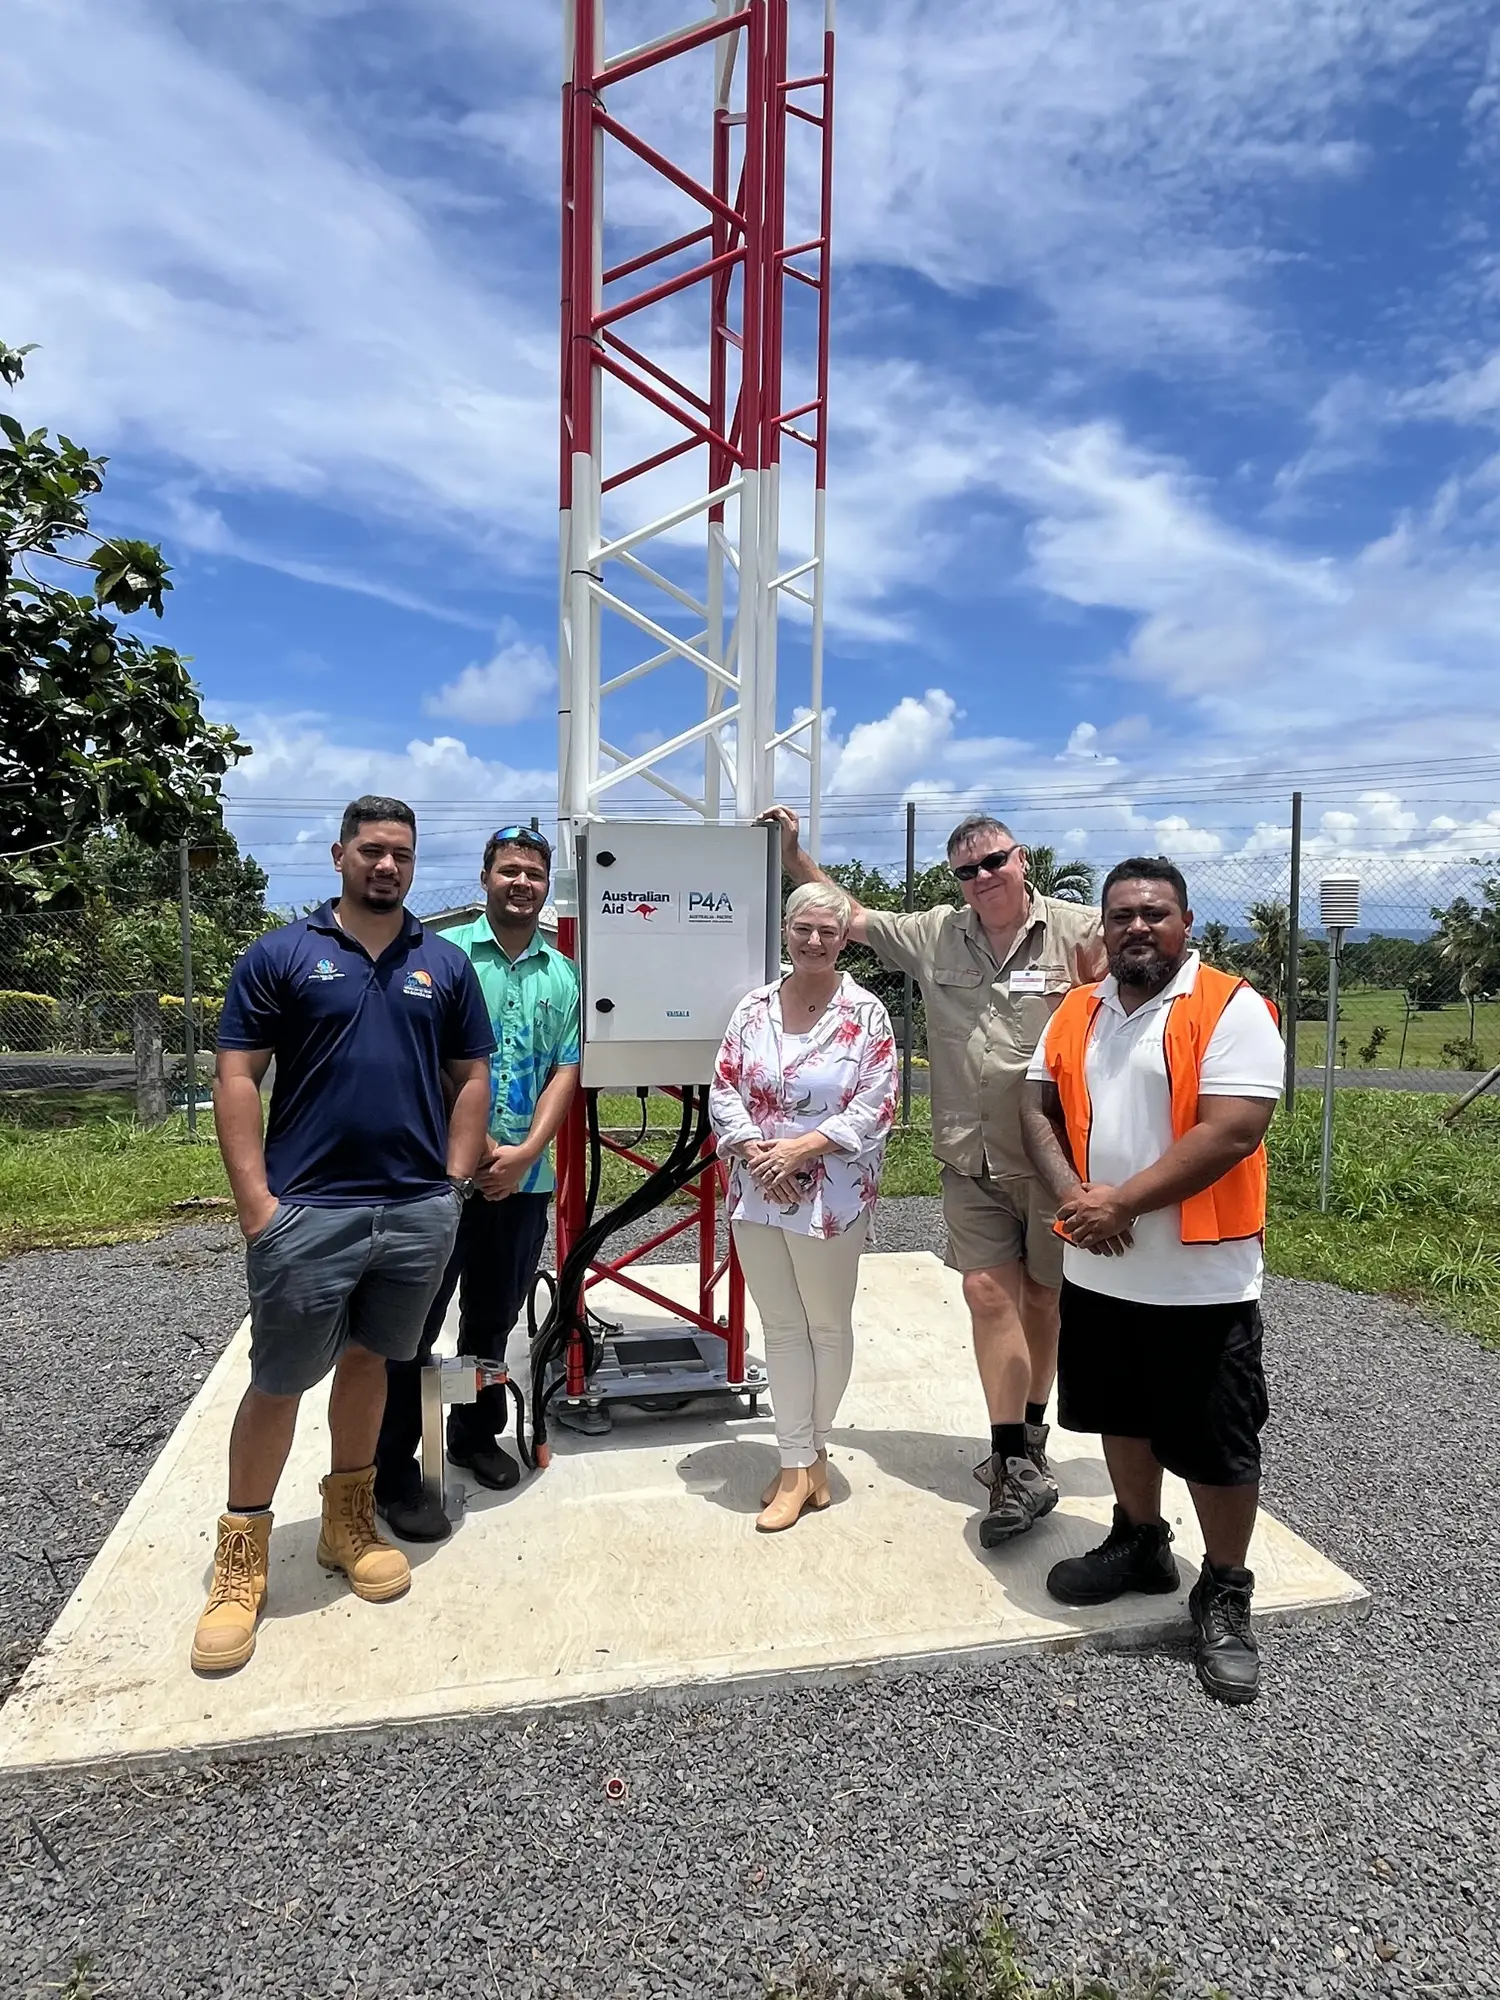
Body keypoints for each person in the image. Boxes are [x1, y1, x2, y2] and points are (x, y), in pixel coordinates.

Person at [194, 796, 495, 1675]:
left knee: (373, 1362)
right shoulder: (283, 954)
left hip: (413, 1211)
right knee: (279, 1380)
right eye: (371, 850)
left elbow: (469, 1074)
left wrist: (450, 1181)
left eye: (401, 852)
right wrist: (257, 1202)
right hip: (308, 1211)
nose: (387, 866)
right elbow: (238, 1075)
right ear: (339, 856)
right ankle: (241, 1559)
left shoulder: (440, 963)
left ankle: (346, 1524)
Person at [763, 805, 1103, 1548]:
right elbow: (845, 917)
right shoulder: (937, 934)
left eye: (995, 862)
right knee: (987, 1292)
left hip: (1055, 1157)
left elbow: (1145, 984)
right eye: (966, 870)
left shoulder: (1081, 933)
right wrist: (795, 855)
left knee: (1045, 1300)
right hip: (970, 1152)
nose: (982, 878)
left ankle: (1032, 1437)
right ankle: (1009, 1452)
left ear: (1022, 861)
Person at [1019, 856, 1284, 1706]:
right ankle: (1139, 1542)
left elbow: (1234, 1131)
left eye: (1155, 913)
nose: (1137, 927)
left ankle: (1226, 1589)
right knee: (1119, 1418)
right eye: (1122, 914)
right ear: (1102, 927)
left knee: (1215, 1444)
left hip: (1202, 1284)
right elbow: (1035, 1105)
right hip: (1102, 1274)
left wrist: (1120, 1202)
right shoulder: (1078, 1009)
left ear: (1185, 924)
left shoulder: (1232, 1008)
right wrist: (1074, 1200)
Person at [374, 824, 580, 1540]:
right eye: (510, 871)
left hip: (523, 1181)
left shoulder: (564, 974)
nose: (522, 883)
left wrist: (524, 1152)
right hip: (439, 1178)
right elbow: (421, 1056)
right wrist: (479, 1146)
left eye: (534, 873)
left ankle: (470, 1433)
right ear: (485, 877)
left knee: (490, 1320)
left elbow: (566, 1069)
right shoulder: (441, 958)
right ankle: (395, 1466)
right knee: (413, 1326)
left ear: (546, 886)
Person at [709, 882, 898, 1532]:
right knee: (781, 1329)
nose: (814, 941)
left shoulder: (867, 1014)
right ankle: (798, 1462)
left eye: (828, 931)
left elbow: (875, 1105)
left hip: (832, 1196)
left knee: (825, 1325)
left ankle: (806, 1457)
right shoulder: (754, 1008)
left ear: (845, 938)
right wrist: (763, 1154)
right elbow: (725, 1085)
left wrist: (800, 1152)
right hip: (758, 1187)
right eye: (803, 929)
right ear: (784, 931)